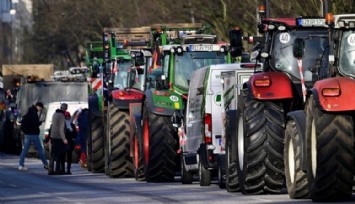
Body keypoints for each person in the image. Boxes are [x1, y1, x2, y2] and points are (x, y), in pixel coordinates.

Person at [18, 102, 49, 171]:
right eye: (40, 108)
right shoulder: (34, 113)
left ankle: (20, 165)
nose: (40, 110)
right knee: (40, 150)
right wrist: (40, 122)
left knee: (24, 150)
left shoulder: (29, 112)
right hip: (34, 134)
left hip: (27, 134)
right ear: (38, 106)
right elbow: (34, 124)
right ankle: (46, 164)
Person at [48, 103, 68, 175]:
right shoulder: (62, 116)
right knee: (59, 154)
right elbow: (61, 128)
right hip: (59, 137)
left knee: (53, 154)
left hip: (53, 136)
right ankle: (57, 170)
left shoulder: (55, 114)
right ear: (65, 109)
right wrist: (64, 139)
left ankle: (50, 169)